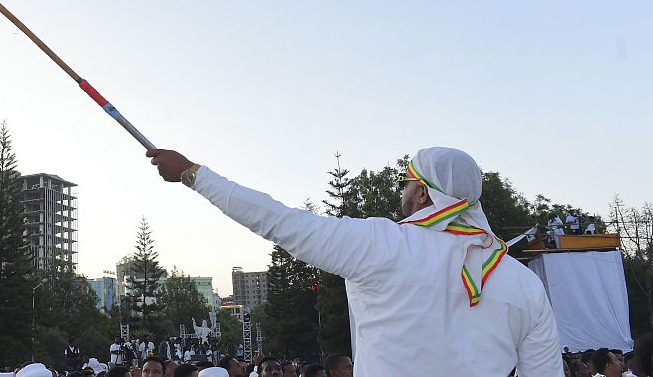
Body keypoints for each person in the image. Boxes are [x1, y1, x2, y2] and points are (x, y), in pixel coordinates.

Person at [147, 146, 562, 376]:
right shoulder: (521, 281)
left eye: (405, 182)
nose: (400, 192)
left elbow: (279, 221)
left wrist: (193, 174)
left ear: (423, 194)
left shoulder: (383, 244)